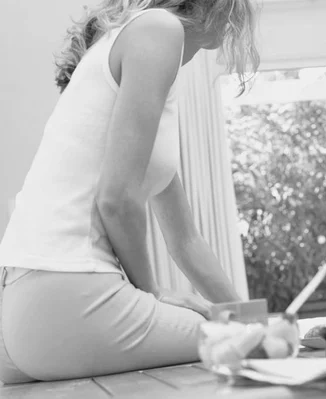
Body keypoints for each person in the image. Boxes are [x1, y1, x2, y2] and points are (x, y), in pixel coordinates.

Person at [0, 0, 259, 384]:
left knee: (250, 332)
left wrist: (252, 317)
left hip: (29, 305)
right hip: (68, 294)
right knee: (247, 346)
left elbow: (184, 240)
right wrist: (152, 295)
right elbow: (116, 201)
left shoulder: (140, 51)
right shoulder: (159, 30)